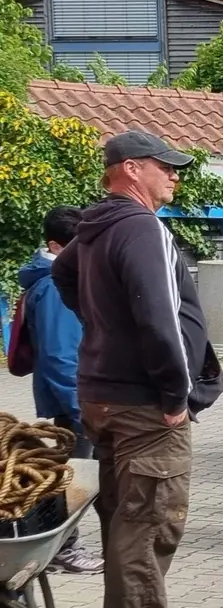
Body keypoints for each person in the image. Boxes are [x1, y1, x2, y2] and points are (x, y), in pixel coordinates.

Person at [53, 130, 223, 608]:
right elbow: (160, 318)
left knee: (124, 516)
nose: (174, 175)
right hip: (148, 402)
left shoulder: (96, 225)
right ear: (131, 169)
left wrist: (103, 328)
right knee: (150, 519)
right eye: (165, 166)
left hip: (104, 394)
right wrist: (176, 392)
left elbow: (61, 272)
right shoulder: (140, 227)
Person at [18, 206, 103, 574]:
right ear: (55, 245)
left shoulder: (55, 277)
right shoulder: (54, 285)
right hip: (76, 399)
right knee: (73, 475)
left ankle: (57, 546)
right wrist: (80, 408)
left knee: (70, 472)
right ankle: (63, 547)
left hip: (76, 396)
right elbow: (58, 354)